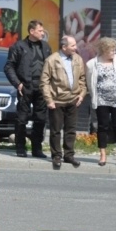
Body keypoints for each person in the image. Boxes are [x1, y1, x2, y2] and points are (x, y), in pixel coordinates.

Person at [4, 19, 51, 158]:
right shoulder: (19, 46)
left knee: (40, 119)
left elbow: (51, 66)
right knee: (22, 119)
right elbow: (8, 67)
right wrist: (17, 83)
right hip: (25, 87)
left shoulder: (46, 47)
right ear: (31, 31)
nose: (43, 33)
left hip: (42, 87)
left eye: (43, 30)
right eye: (40, 30)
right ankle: (20, 147)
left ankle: (37, 148)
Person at [40, 35, 87, 170]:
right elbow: (44, 82)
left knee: (71, 130)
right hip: (56, 100)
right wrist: (49, 100)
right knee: (55, 130)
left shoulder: (77, 59)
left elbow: (82, 79)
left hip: (73, 99)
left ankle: (69, 155)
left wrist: (82, 95)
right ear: (64, 47)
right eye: (72, 46)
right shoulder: (52, 60)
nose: (75, 48)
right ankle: (56, 156)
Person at [86, 37, 116, 170]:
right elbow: (90, 83)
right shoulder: (92, 64)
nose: (114, 52)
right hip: (101, 100)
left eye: (114, 49)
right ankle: (103, 154)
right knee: (102, 126)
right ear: (104, 50)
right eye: (111, 50)